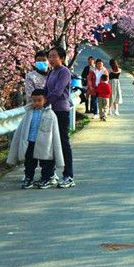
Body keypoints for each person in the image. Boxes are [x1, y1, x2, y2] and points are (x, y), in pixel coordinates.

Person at [7, 89, 65, 189]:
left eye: (39, 100)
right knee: (29, 162)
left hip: (45, 144)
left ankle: (46, 179)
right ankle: (29, 178)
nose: (36, 103)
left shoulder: (50, 114)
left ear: (45, 100)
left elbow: (55, 134)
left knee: (46, 162)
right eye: (34, 101)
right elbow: (21, 129)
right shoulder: (28, 113)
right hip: (30, 141)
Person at [44, 46, 75, 188]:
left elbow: (57, 91)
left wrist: (45, 102)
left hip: (61, 111)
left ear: (61, 58)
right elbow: (46, 89)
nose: (51, 59)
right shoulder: (51, 72)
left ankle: (68, 176)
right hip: (50, 111)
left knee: (63, 143)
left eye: (54, 56)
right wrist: (39, 99)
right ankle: (50, 175)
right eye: (49, 56)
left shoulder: (64, 72)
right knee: (49, 143)